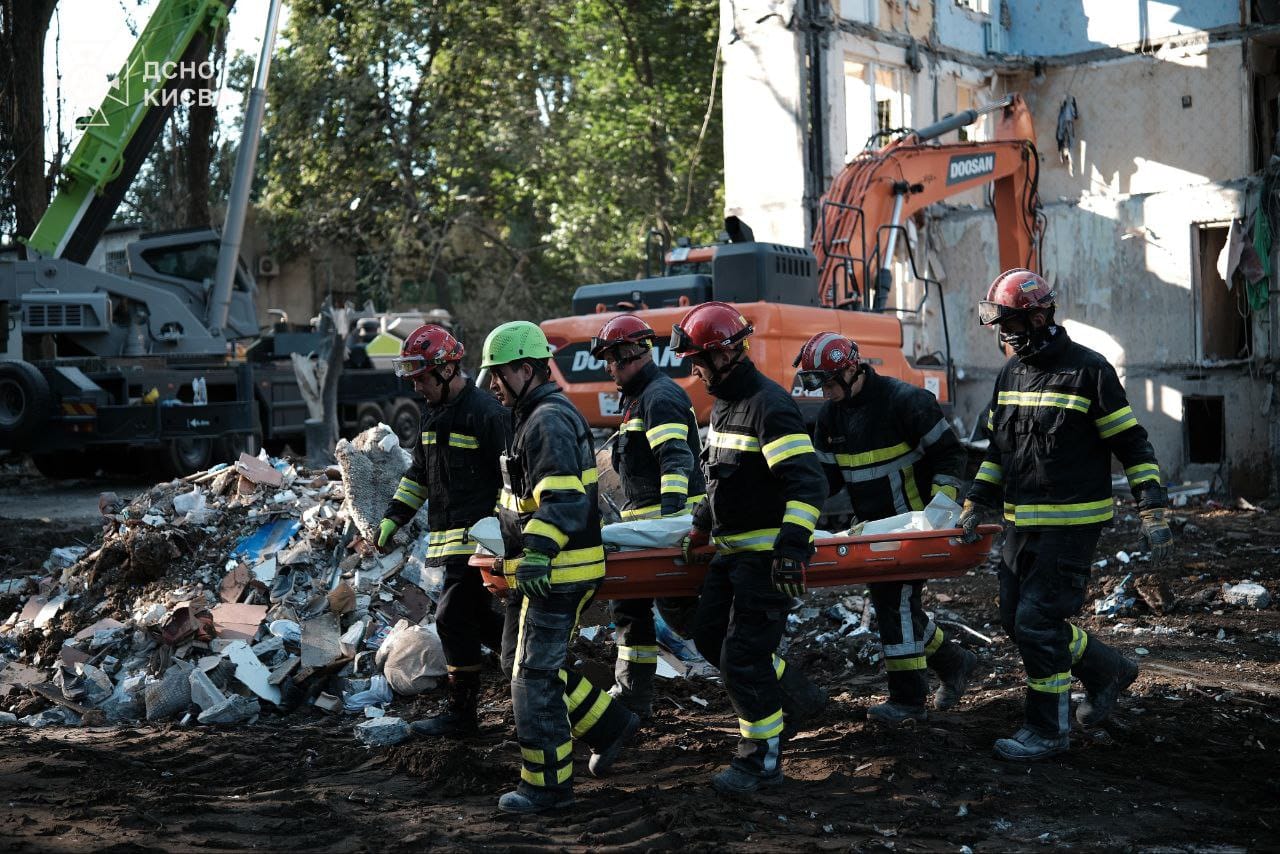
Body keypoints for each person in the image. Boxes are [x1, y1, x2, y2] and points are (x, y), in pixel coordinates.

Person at [958, 268, 1173, 762]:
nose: (1006, 337)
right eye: (1001, 328)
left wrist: (1153, 507)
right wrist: (978, 499)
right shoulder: (1010, 373)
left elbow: (1131, 444)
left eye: (1012, 325)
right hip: (1021, 523)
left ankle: (1048, 729)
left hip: (1072, 524)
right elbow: (999, 451)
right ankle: (1106, 670)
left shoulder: (1090, 371)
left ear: (1039, 315)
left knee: (1036, 620)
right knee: (1014, 619)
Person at [481, 320, 640, 814]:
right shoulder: (531, 415)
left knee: (532, 675)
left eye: (498, 374)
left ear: (526, 369)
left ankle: (547, 786)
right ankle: (611, 725)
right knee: (518, 663)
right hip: (543, 569)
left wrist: (535, 553)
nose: (492, 386)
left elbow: (566, 503)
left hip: (558, 571)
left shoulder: (546, 420)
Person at [671, 301, 828, 795]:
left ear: (723, 354)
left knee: (742, 657)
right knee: (708, 634)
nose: (694, 370)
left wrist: (791, 549)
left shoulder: (769, 405)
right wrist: (700, 526)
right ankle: (796, 698)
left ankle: (761, 759)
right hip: (730, 551)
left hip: (765, 558)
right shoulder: (723, 406)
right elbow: (720, 483)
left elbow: (807, 484)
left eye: (698, 360)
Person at [796, 331, 978, 725]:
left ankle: (908, 699)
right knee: (894, 606)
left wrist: (943, 506)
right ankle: (955, 662)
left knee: (894, 606)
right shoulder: (830, 418)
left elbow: (950, 455)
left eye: (828, 383)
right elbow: (825, 481)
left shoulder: (906, 402)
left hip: (915, 528)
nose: (825, 393)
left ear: (850, 368)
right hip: (873, 532)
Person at [377, 325, 509, 738]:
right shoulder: (432, 414)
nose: (418, 387)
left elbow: (512, 479)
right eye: (413, 379)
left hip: (485, 543)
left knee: (451, 617)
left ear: (448, 370)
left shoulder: (486, 413)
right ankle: (532, 662)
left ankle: (462, 713)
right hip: (454, 544)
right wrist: (394, 516)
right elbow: (420, 474)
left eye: (422, 378)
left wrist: (509, 535)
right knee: (475, 620)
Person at [590, 315, 705, 718]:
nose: (608, 368)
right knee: (630, 612)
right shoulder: (639, 399)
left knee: (689, 620)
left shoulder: (659, 397)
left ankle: (764, 680)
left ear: (632, 355)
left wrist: (670, 525)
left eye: (611, 359)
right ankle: (632, 696)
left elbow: (676, 460)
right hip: (644, 532)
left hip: (663, 532)